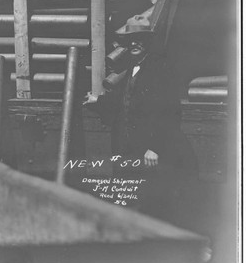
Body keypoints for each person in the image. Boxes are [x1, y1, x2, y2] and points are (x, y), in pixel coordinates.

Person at [85, 21, 199, 225]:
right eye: (130, 41)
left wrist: (155, 147)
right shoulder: (131, 68)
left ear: (148, 42)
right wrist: (97, 101)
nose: (135, 43)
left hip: (149, 150)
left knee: (153, 200)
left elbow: (171, 111)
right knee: (132, 198)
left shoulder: (159, 68)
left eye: (140, 39)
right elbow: (123, 100)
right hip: (128, 147)